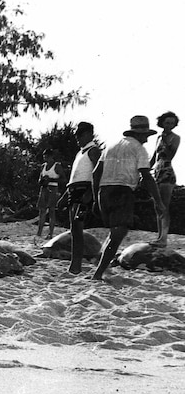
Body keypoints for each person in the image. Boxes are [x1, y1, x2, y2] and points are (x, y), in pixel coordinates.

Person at [91, 115, 166, 281]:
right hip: (122, 192)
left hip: (104, 191)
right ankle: (98, 273)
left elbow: (96, 173)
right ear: (140, 134)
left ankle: (100, 262)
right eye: (146, 136)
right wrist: (158, 201)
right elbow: (147, 176)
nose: (146, 140)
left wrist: (96, 198)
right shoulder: (138, 149)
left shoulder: (111, 146)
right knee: (119, 233)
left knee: (114, 232)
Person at [63, 122, 102, 274]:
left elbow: (98, 172)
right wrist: (65, 196)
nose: (78, 138)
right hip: (74, 191)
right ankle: (75, 264)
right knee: (74, 229)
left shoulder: (93, 151)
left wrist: (91, 193)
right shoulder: (80, 153)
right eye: (77, 135)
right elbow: (75, 176)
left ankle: (76, 265)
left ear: (89, 134)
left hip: (83, 191)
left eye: (81, 134)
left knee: (78, 228)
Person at [149, 111, 180, 247]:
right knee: (157, 206)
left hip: (167, 172)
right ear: (162, 122)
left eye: (172, 123)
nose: (169, 126)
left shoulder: (175, 137)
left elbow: (169, 154)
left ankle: (164, 238)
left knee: (164, 206)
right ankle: (159, 236)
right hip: (157, 172)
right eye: (167, 123)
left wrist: (166, 139)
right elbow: (154, 157)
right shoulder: (158, 137)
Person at [36, 148, 66, 239]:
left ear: (52, 156)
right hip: (44, 189)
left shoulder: (57, 166)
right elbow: (39, 179)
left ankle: (50, 233)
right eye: (45, 156)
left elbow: (64, 179)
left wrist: (51, 179)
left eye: (48, 156)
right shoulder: (43, 166)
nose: (46, 158)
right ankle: (39, 233)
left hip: (53, 189)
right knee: (42, 211)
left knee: (52, 211)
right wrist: (42, 180)